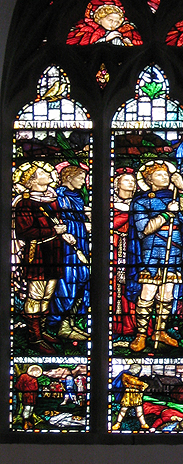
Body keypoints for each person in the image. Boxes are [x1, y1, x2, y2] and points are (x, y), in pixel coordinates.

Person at [126, 160, 183, 353]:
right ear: (149, 180)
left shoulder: (175, 196)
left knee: (167, 294)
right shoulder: (141, 200)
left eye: (166, 174)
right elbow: (144, 229)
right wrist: (166, 214)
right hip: (152, 250)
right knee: (148, 292)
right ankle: (141, 334)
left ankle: (160, 331)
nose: (165, 177)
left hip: (175, 248)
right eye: (159, 174)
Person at [13, 163, 68, 353]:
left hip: (54, 251)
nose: (49, 173)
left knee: (47, 295)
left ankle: (42, 330)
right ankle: (34, 337)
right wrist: (53, 230)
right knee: (35, 296)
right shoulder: (25, 203)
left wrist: (62, 233)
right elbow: (24, 231)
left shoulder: (52, 200)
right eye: (43, 173)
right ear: (32, 181)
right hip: (36, 252)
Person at [48, 164, 90, 341]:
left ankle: (69, 322)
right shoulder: (59, 195)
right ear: (69, 178)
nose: (83, 181)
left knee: (83, 277)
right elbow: (53, 218)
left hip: (79, 237)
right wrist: (65, 233)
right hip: (66, 243)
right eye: (80, 177)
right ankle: (60, 325)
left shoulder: (77, 196)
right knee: (68, 279)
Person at [112, 168, 137, 336]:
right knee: (115, 286)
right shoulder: (109, 204)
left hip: (134, 250)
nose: (131, 183)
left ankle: (134, 326)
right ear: (117, 183)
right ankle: (117, 326)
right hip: (114, 250)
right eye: (127, 180)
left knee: (133, 285)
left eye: (133, 181)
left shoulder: (140, 204)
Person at [66, 0, 142, 46]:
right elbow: (86, 45)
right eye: (110, 20)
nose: (114, 24)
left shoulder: (120, 34)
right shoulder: (89, 31)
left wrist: (128, 43)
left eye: (117, 22)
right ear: (99, 19)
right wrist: (106, 39)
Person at [111, 363, 149, 431]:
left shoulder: (136, 377)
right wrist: (142, 384)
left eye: (139, 370)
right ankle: (118, 423)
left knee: (139, 410)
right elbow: (133, 381)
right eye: (137, 370)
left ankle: (143, 424)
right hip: (128, 394)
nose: (138, 371)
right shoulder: (125, 375)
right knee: (123, 409)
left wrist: (142, 387)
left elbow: (139, 385)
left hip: (136, 394)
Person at [15, 364, 42, 430]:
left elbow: (36, 388)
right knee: (27, 408)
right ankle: (25, 422)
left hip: (33, 396)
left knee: (31, 409)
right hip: (27, 395)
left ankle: (28, 422)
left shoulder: (35, 379)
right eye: (36, 372)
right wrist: (24, 390)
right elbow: (18, 385)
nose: (37, 373)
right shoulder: (24, 376)